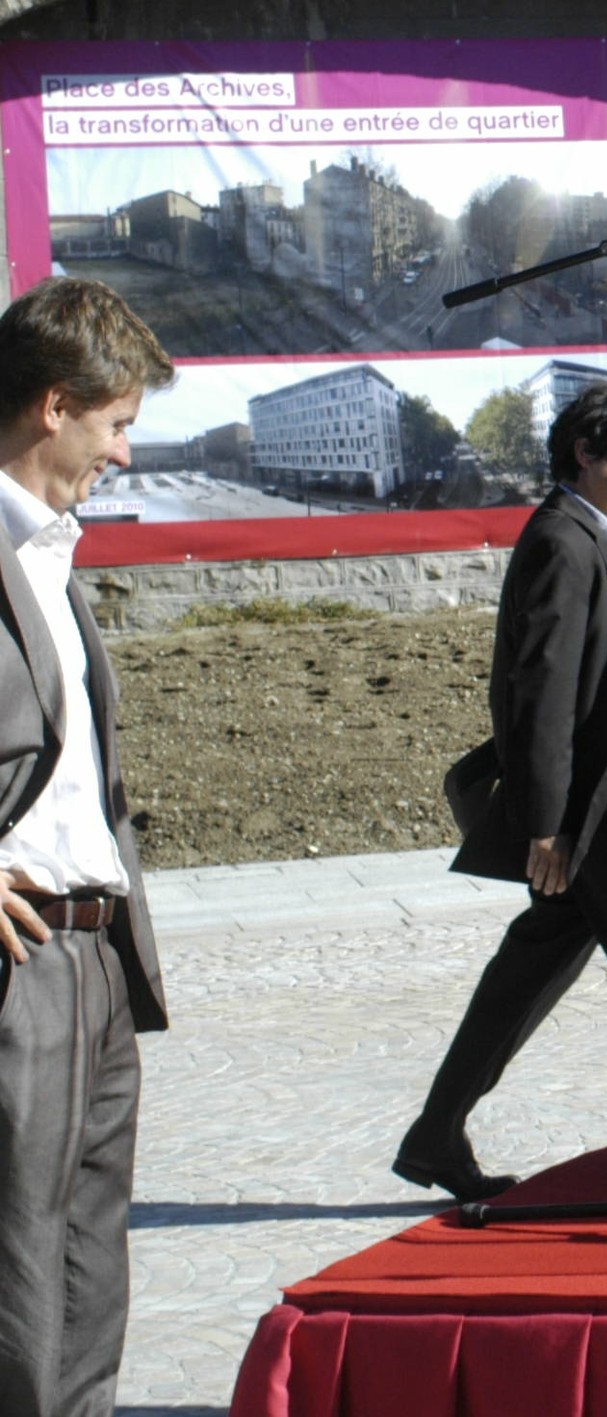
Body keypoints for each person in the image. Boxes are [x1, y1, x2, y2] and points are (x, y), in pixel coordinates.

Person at [393, 387, 607, 1201]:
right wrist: (545, 823)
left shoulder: (597, 538)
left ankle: (436, 1134)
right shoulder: (563, 544)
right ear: (586, 454)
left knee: (529, 970)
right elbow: (539, 691)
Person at [0, 277, 174, 1417]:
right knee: (14, 1265)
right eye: (117, 424)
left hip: (99, 954)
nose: (122, 453)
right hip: (20, 969)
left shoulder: (55, 548)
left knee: (86, 1261)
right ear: (56, 405)